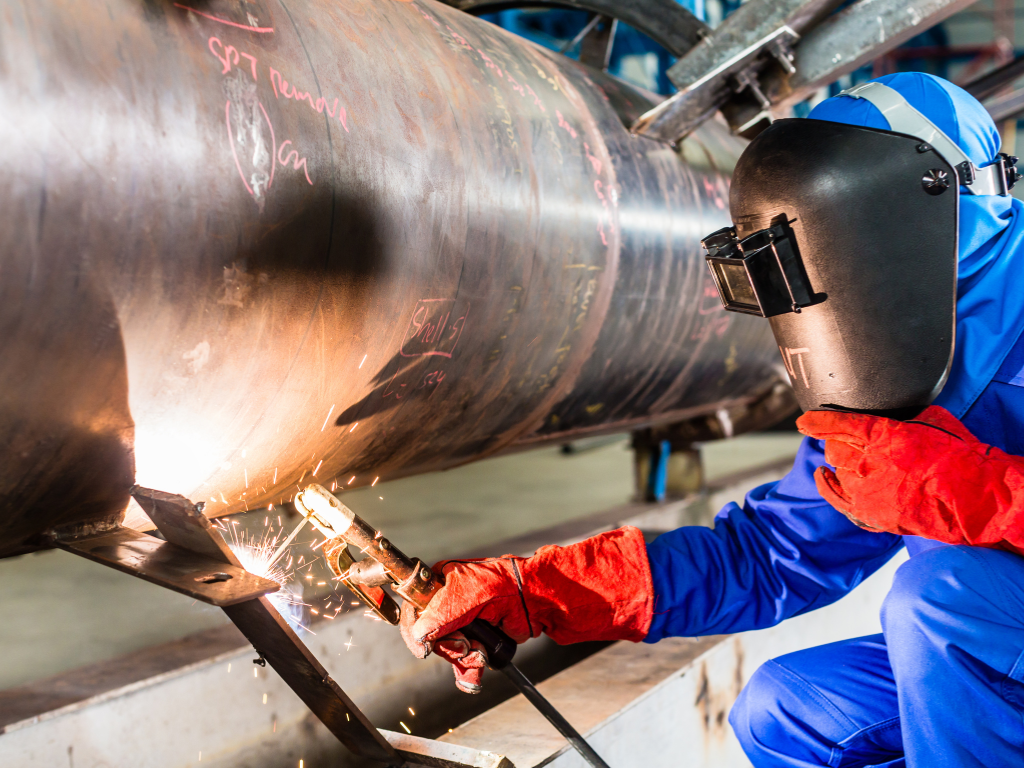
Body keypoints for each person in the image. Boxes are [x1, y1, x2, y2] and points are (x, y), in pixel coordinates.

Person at [399, 72, 1024, 767]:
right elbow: (770, 557)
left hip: (968, 621)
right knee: (786, 709)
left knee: (942, 605)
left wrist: (991, 497)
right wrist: (537, 591)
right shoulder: (885, 363)